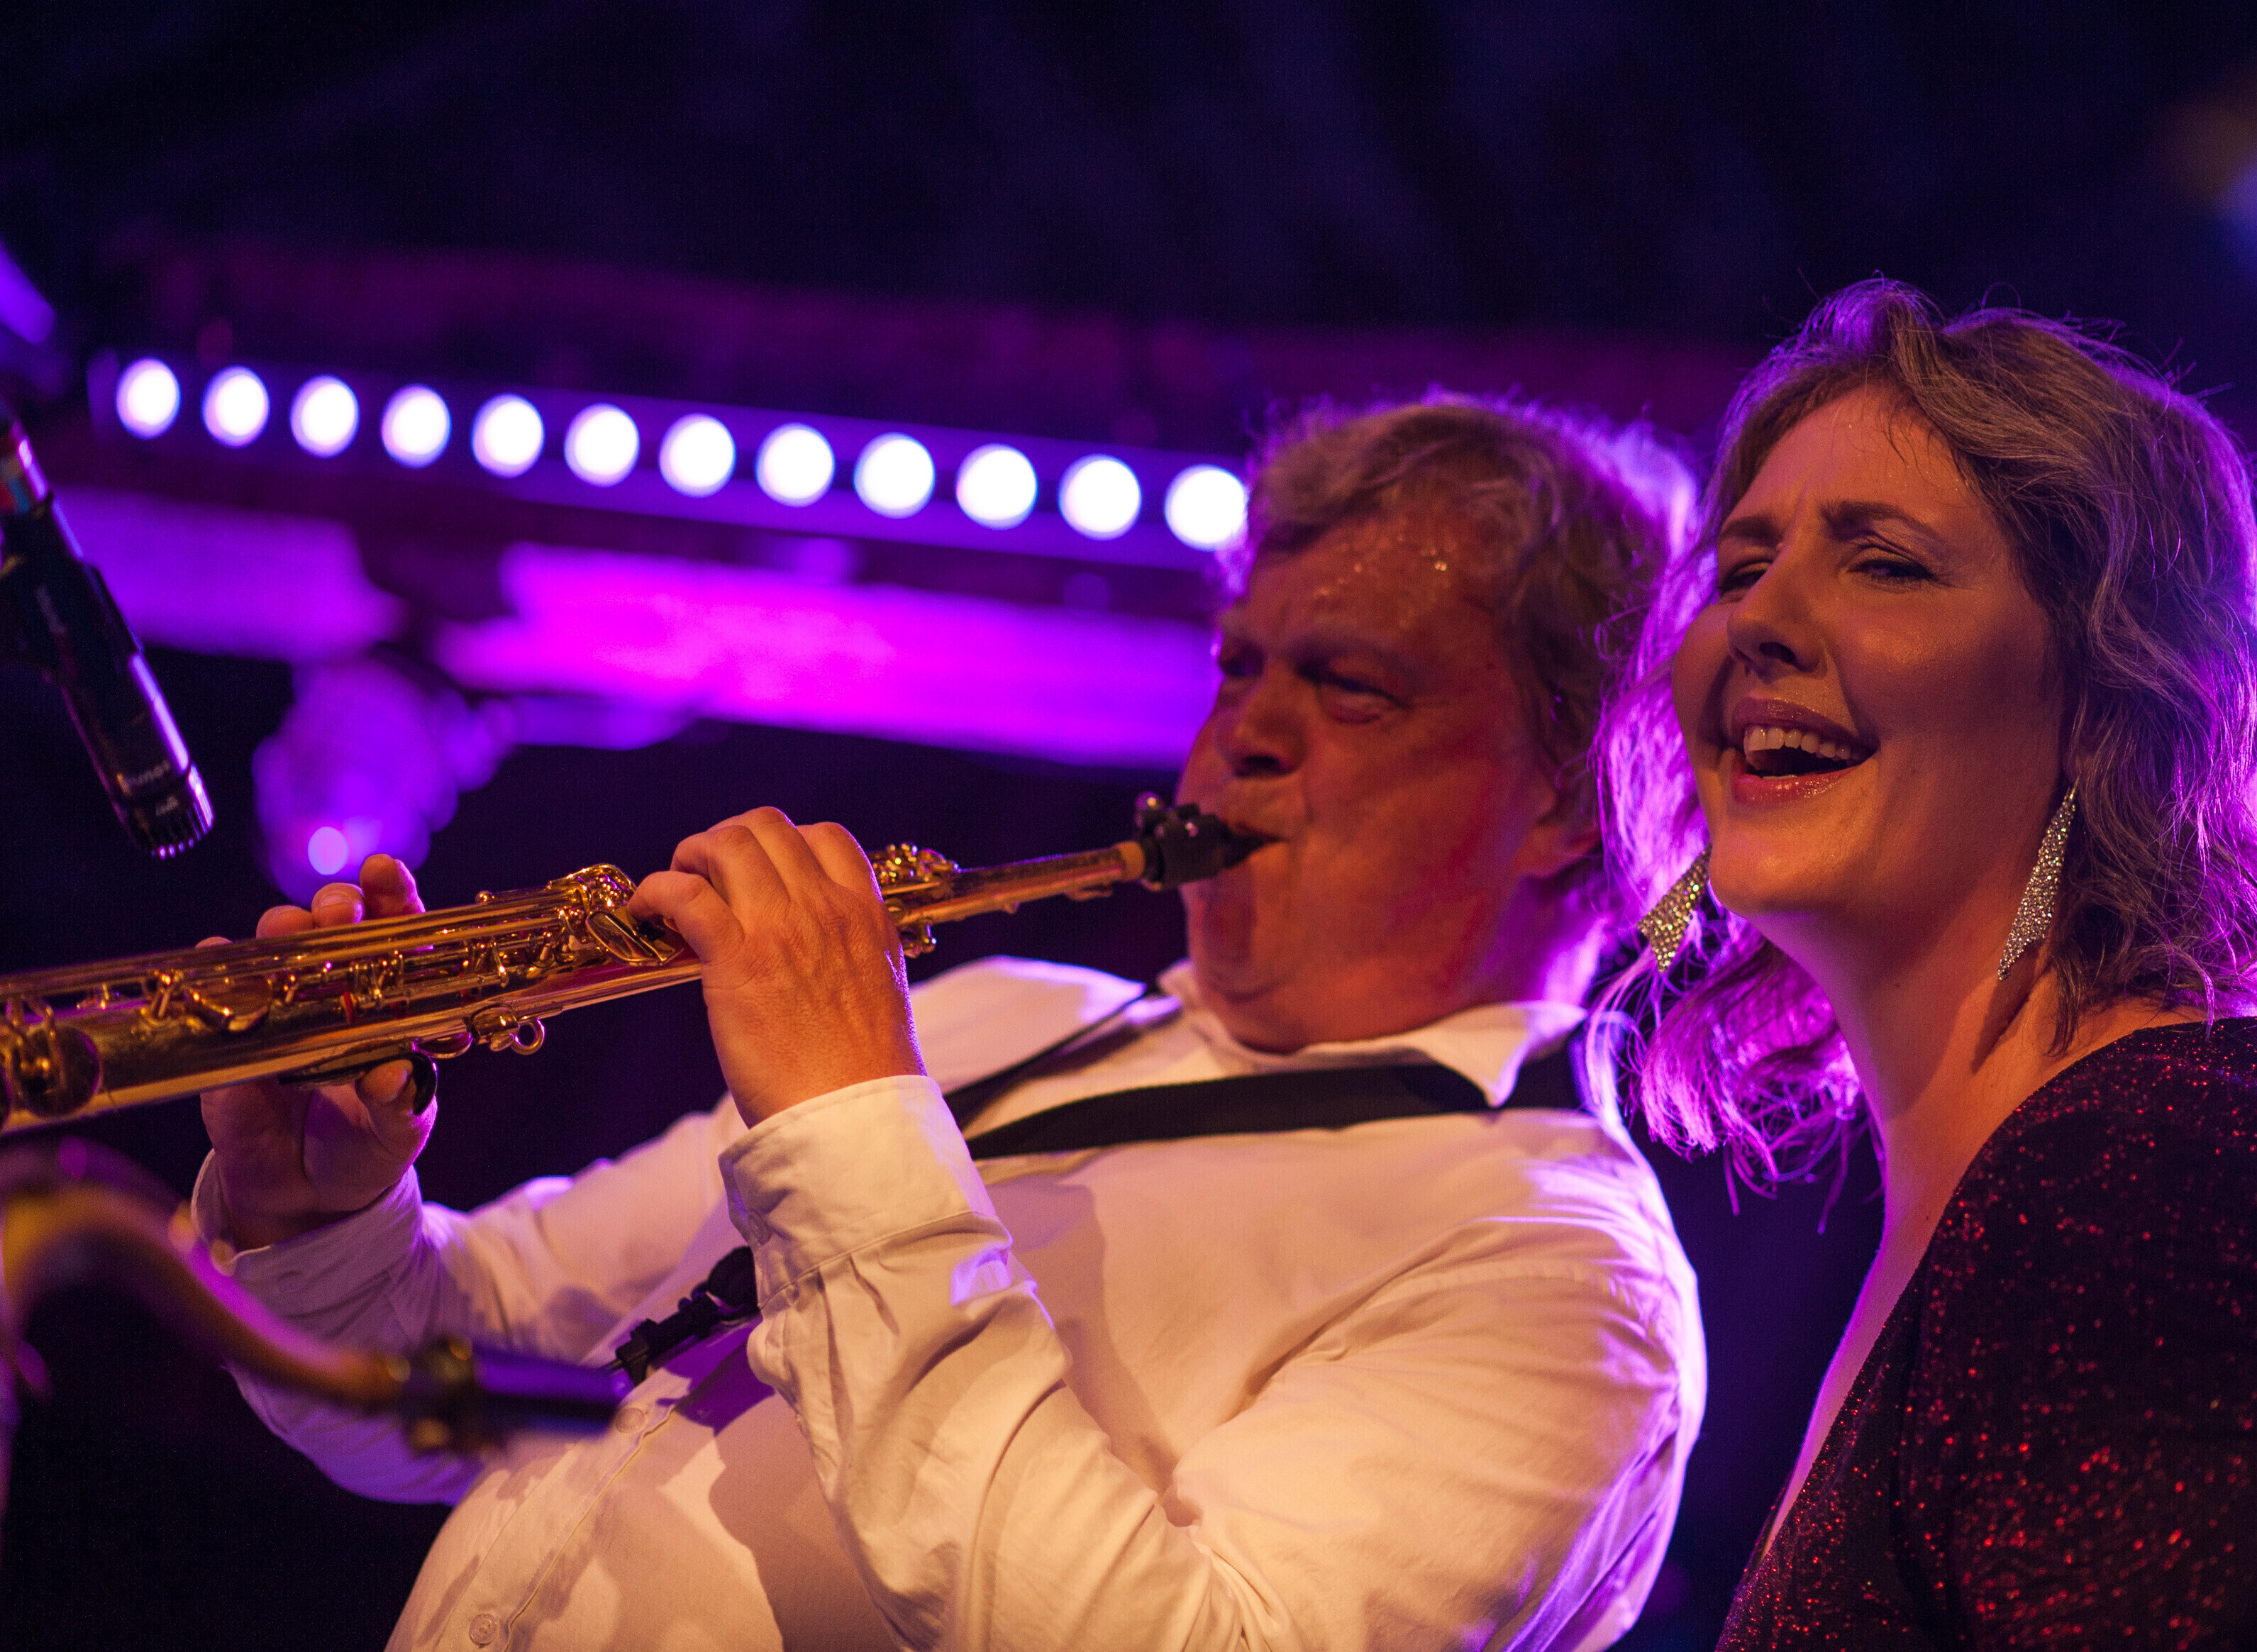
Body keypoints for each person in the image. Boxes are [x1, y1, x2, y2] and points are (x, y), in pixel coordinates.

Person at [196, 395, 1708, 1652]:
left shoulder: (1558, 1275)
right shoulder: (1003, 1014)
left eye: (1353, 686)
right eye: (1239, 663)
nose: (1243, 730)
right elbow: (457, 1381)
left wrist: (851, 1127)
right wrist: (321, 1222)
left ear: (1575, 797)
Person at [1595, 277, 2257, 1645]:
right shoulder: (2081, 1167)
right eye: (1741, 567)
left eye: (1884, 562)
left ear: (2110, 693)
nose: (1757, 620)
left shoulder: (2143, 1192)